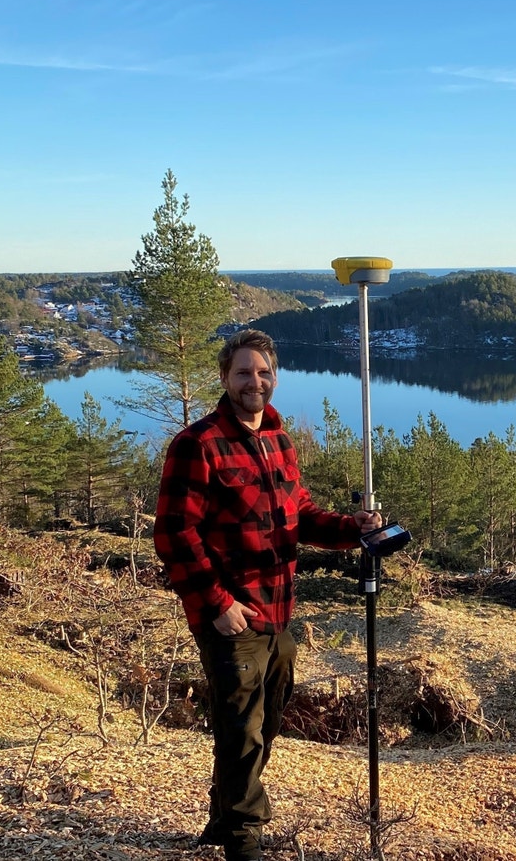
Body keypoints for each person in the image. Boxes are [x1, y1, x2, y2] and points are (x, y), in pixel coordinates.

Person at [155, 329, 380, 861]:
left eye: (263, 373)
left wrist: (353, 528)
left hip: (278, 612)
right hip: (232, 617)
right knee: (243, 732)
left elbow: (298, 514)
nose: (254, 382)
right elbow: (173, 534)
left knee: (267, 720)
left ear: (273, 377)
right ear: (224, 378)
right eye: (242, 373)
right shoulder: (199, 445)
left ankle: (222, 815)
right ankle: (242, 842)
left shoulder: (278, 438)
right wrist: (217, 603)